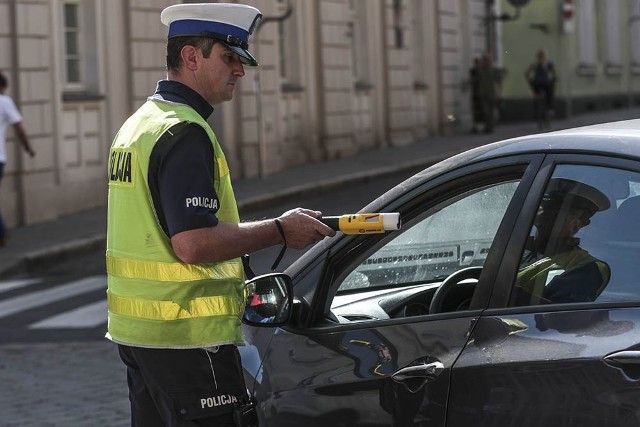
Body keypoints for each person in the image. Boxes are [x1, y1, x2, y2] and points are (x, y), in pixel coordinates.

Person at [105, 3, 335, 426]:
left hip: (139, 334)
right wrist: (281, 229)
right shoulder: (184, 131)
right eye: (229, 58)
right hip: (188, 339)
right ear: (191, 57)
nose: (240, 71)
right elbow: (193, 243)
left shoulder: (139, 124)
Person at [513, 178, 611, 305]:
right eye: (542, 202)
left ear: (576, 223)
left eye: (551, 206)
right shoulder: (517, 246)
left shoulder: (585, 267)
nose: (540, 208)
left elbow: (558, 319)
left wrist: (511, 292)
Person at [0, 71, 35, 247]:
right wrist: (28, 148)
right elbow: (19, 129)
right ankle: (2, 232)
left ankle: (2, 232)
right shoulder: (4, 102)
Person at [476, 53, 502, 133]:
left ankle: (490, 126)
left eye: (487, 60)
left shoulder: (492, 70)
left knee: (491, 111)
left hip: (491, 93)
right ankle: (488, 126)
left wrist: (498, 92)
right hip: (483, 93)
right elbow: (477, 80)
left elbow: (498, 80)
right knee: (486, 111)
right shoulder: (480, 70)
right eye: (484, 60)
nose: (486, 62)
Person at [525, 50, 556, 116]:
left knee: (549, 93)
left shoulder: (541, 64)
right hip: (542, 83)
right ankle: (549, 108)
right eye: (541, 57)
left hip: (541, 83)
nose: (541, 58)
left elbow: (527, 73)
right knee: (549, 91)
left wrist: (529, 79)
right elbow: (554, 72)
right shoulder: (538, 64)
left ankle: (548, 107)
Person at [468, 57, 484, 134]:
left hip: (481, 93)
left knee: (481, 110)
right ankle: (476, 126)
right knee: (475, 111)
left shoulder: (482, 70)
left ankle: (481, 126)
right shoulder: (473, 71)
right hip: (476, 93)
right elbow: (471, 80)